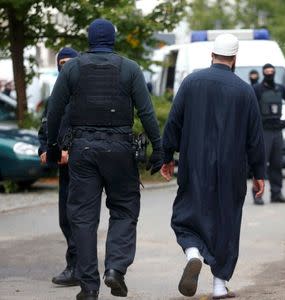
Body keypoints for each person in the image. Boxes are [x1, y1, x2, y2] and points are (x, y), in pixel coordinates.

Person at [46, 19, 163, 300]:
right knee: (124, 210)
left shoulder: (72, 68)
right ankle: (115, 268)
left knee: (83, 218)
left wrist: (52, 146)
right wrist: (158, 148)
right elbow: (146, 113)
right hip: (120, 150)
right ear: (112, 39)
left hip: (83, 151)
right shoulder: (130, 69)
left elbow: (55, 109)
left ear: (89, 39)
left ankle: (88, 287)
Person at [161, 33, 265, 299]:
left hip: (194, 163)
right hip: (232, 168)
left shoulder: (192, 82)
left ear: (212, 55)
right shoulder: (245, 90)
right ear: (234, 58)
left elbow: (173, 122)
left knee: (186, 213)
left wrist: (166, 157)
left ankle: (193, 253)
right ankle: (219, 287)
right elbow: (255, 137)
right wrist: (259, 173)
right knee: (227, 222)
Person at [38, 47, 79, 287]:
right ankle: (79, 265)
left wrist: (71, 154)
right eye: (61, 62)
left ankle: (77, 267)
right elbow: (44, 129)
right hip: (63, 170)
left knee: (78, 218)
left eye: (70, 62)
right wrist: (44, 149)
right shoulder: (55, 96)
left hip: (84, 168)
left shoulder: (85, 95)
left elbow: (92, 133)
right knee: (65, 219)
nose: (65, 66)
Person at [252, 63, 285, 205]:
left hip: (277, 130)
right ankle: (258, 194)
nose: (269, 73)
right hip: (264, 131)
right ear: (263, 73)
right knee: (261, 164)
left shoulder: (280, 89)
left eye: (272, 71)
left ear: (274, 73)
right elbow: (250, 107)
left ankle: (276, 193)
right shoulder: (257, 89)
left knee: (277, 163)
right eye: (267, 71)